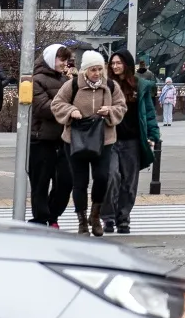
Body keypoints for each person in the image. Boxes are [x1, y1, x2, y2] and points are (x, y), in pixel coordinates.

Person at [53, 50, 125, 235]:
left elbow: (121, 106)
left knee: (102, 177)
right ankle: (82, 221)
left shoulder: (110, 85)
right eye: (93, 69)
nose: (97, 73)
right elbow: (57, 103)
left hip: (104, 139)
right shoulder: (73, 85)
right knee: (80, 182)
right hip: (75, 139)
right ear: (85, 70)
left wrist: (109, 111)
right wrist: (71, 111)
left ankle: (96, 214)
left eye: (100, 69)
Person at [103, 51, 159, 235]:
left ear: (127, 64)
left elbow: (148, 113)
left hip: (133, 140)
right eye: (113, 63)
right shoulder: (106, 85)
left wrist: (153, 135)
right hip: (110, 139)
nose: (115, 66)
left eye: (119, 63)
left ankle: (123, 218)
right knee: (111, 177)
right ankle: (108, 217)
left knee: (129, 182)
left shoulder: (139, 86)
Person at [27, 44, 76, 226]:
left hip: (63, 139)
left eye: (65, 60)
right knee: (40, 183)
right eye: (60, 59)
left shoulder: (66, 81)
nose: (64, 63)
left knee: (65, 181)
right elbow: (43, 108)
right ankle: (41, 218)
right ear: (50, 59)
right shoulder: (36, 80)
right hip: (41, 139)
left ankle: (52, 214)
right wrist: (70, 110)